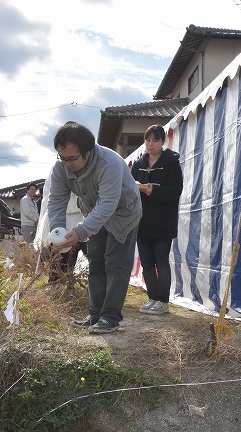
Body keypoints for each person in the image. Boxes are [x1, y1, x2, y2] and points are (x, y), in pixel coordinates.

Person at [48, 121, 142, 334]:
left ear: (88, 152)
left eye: (71, 158)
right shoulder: (61, 167)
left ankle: (110, 317)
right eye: (61, 157)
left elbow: (108, 203)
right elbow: (56, 199)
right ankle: (95, 314)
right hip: (93, 213)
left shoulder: (109, 163)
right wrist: (57, 231)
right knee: (96, 261)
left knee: (116, 263)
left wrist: (80, 231)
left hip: (123, 214)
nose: (66, 163)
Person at [131, 124, 183, 315]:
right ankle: (152, 298)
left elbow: (175, 191)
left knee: (162, 262)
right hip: (142, 221)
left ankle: (163, 301)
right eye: (147, 140)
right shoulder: (138, 164)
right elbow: (129, 188)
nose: (151, 144)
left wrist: (152, 189)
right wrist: (137, 188)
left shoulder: (171, 163)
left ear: (163, 142)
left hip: (163, 221)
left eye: (155, 140)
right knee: (147, 263)